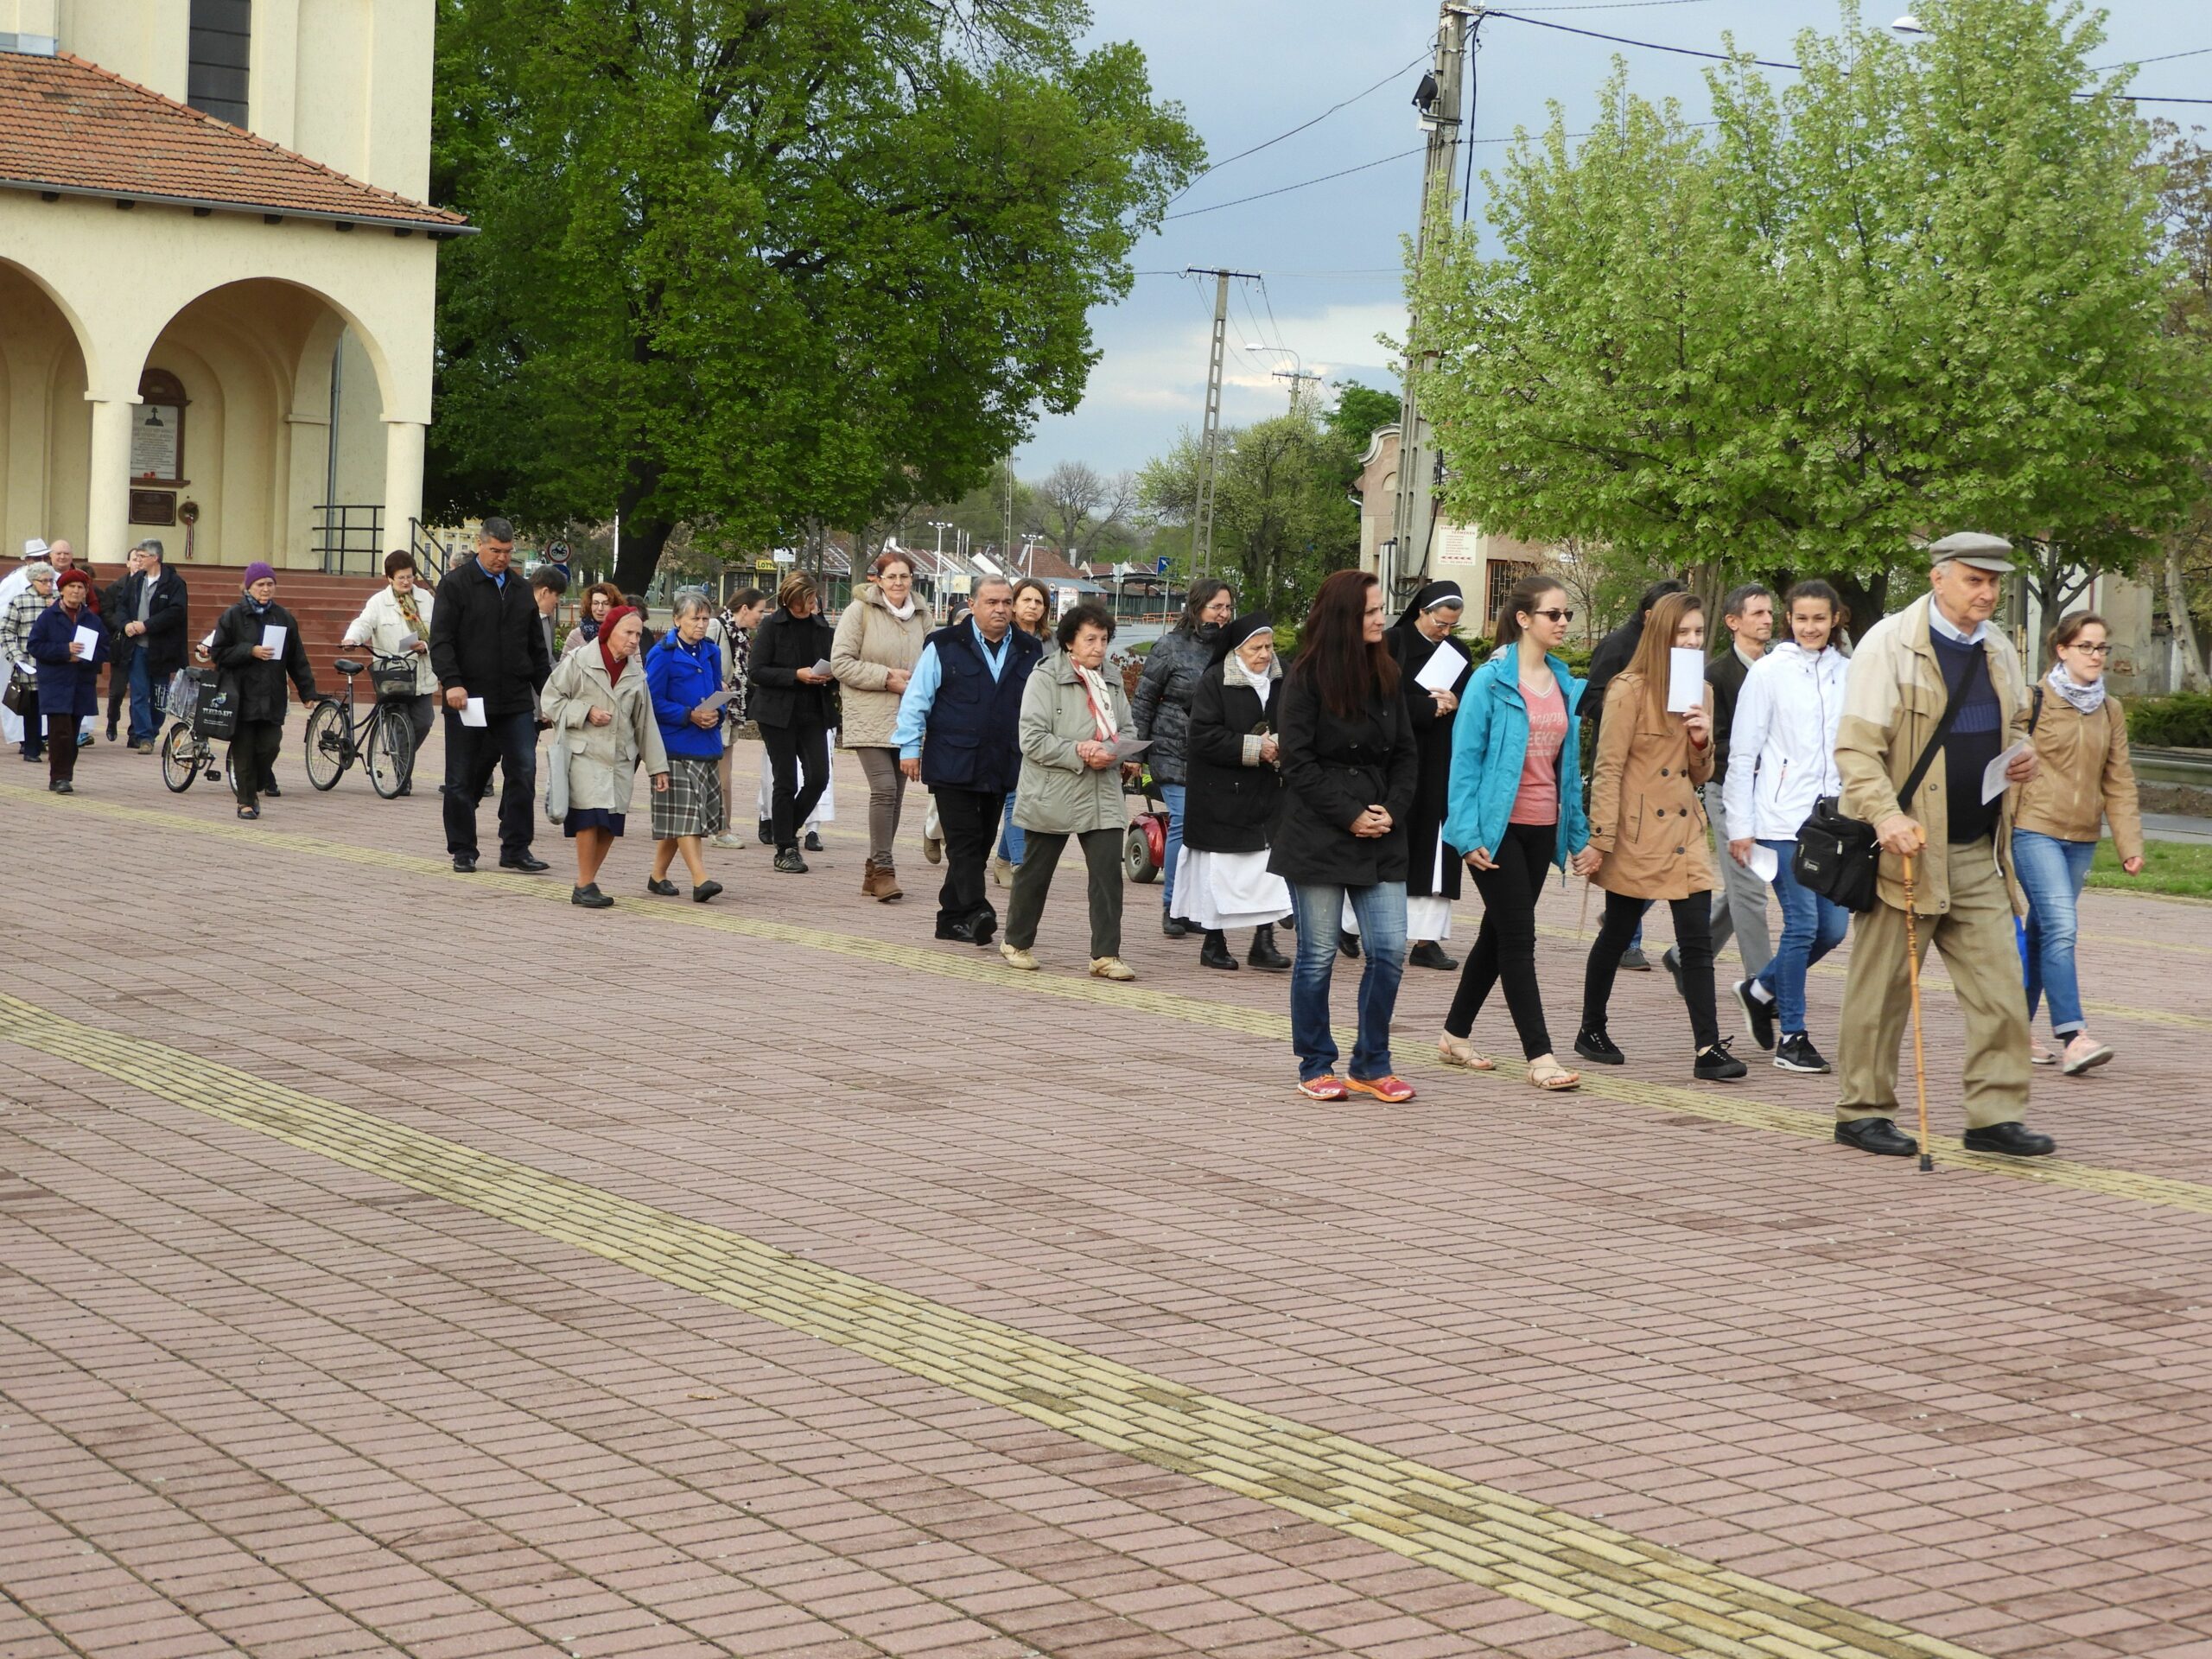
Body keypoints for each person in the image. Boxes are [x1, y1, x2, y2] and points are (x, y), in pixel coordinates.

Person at [1833, 532, 2047, 1158]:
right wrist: (1885, 817)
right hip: (1906, 849)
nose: (1988, 592)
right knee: (1882, 994)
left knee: (2002, 990)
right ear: (1938, 578)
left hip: (1979, 848)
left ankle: (1994, 1117)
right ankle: (1862, 1111)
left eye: (1994, 581)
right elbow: (1856, 750)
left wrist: (2023, 755)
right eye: (1975, 579)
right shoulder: (1889, 644)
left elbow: (2013, 724)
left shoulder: (1998, 647)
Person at [1576, 593, 1747, 1081]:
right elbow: (1607, 769)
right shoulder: (1628, 689)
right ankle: (1592, 1028)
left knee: (1695, 941)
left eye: (1698, 633)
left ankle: (1707, 1049)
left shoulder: (1702, 692)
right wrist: (1601, 839)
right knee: (1617, 932)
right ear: (1662, 635)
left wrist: (1701, 740)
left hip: (1685, 832)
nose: (1692, 641)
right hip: (1636, 831)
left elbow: (1699, 772)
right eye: (1683, 633)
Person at [1439, 575, 1600, 1091]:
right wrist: (1466, 835)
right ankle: (1541, 1055)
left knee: (1498, 933)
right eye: (1554, 614)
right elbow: (1463, 763)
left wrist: (1578, 837)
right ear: (1525, 619)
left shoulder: (1563, 681)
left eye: (1567, 615)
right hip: (1495, 829)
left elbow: (1566, 771)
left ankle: (1454, 1035)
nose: (1563, 624)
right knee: (1519, 940)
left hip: (1542, 827)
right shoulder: (1490, 680)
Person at [1270, 570, 1421, 1103]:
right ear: (1343, 617)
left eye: (1381, 608)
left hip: (1381, 831)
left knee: (1390, 949)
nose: (1382, 618)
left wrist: (1391, 811)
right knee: (1318, 954)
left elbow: (1406, 753)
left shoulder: (1387, 671)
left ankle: (1372, 1062)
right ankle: (1316, 1062)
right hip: (1319, 833)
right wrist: (1350, 814)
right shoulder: (1306, 676)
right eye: (1370, 611)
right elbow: (1298, 761)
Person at [1722, 580, 1851, 1073]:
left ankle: (1760, 989)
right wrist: (1741, 824)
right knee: (1803, 924)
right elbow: (1744, 753)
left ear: (1834, 618)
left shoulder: (1849, 672)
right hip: (1777, 820)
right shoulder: (1770, 672)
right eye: (1801, 619)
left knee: (1833, 929)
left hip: (1832, 823)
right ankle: (1792, 1037)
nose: (1811, 627)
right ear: (1789, 622)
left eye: (1820, 618)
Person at [2013, 610, 2145, 1075]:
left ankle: (2011, 1033)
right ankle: (2073, 1035)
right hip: (2034, 829)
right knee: (2062, 928)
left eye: (2102, 647)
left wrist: (2129, 843)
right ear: (2062, 650)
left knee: (2044, 933)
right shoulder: (2034, 700)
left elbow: (2119, 780)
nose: (2096, 656)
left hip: (2082, 836)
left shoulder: (2110, 710)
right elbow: (2009, 764)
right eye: (2086, 646)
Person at [893, 576, 1045, 946]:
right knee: (961, 843)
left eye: (1007, 602)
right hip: (952, 761)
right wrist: (909, 748)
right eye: (992, 602)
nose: (1001, 609)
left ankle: (950, 918)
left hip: (1002, 762)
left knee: (980, 844)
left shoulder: (1029, 648)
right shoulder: (944, 644)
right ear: (972, 604)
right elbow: (917, 699)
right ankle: (978, 910)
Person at [999, 602, 1139, 980]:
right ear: (1070, 643)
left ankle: (1106, 955)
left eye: (1104, 639)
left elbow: (1127, 728)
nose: (1099, 647)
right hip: (1054, 790)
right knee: (1036, 872)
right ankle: (1016, 941)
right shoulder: (1044, 677)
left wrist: (1116, 752)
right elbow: (1031, 740)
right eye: (1090, 639)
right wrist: (1079, 750)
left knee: (1108, 874)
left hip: (1103, 790)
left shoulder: (1110, 679)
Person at [429, 517, 553, 874]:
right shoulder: (456, 585)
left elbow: (536, 651)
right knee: (463, 778)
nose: (501, 558)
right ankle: (463, 849)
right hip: (468, 698)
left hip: (513, 699)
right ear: (480, 545)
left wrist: (550, 696)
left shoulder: (519, 589)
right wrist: (451, 681)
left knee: (523, 771)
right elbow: (442, 640)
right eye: (495, 550)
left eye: (508, 551)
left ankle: (516, 847)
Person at [1173, 613, 1291, 972]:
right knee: (1220, 876)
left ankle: (1264, 942)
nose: (1264, 654)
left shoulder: (1284, 679)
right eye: (1256, 648)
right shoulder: (1215, 681)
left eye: (1269, 646)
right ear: (1237, 650)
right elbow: (1203, 737)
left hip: (1267, 796)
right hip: (1221, 797)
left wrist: (1285, 745)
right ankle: (1214, 943)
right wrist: (1255, 748)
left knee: (1268, 874)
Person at [1582, 578, 1686, 972]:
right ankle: (1628, 940)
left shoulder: (1680, 655)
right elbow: (1590, 699)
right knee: (1635, 859)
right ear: (1648, 617)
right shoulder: (1617, 646)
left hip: (1668, 776)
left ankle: (1621, 925)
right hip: (1627, 770)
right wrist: (1629, 713)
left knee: (1669, 863)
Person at [541, 604, 669, 907]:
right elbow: (549, 700)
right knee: (589, 818)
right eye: (629, 632)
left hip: (620, 759)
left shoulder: (637, 673)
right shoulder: (579, 661)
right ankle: (585, 883)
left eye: (639, 634)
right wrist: (585, 712)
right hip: (583, 752)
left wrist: (658, 768)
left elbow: (646, 723)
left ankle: (585, 882)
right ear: (610, 631)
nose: (635, 639)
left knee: (611, 822)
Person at [1133, 579, 1233, 937]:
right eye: (1215, 607)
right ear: (1196, 608)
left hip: (1216, 751)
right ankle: (1172, 905)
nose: (1222, 615)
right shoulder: (1170, 647)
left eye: (1227, 608)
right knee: (1184, 822)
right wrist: (1136, 750)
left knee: (1210, 831)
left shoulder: (1234, 648)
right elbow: (1144, 698)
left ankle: (1199, 906)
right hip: (1172, 747)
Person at [1382, 580, 1473, 971]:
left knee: (1437, 848)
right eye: (1440, 623)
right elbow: (1378, 699)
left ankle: (1427, 939)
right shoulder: (1392, 644)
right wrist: (1424, 708)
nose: (1445, 632)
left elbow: (1474, 702)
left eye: (1452, 625)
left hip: (1442, 760)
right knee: (1392, 841)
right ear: (1422, 612)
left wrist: (1457, 702)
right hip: (1397, 758)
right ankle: (1356, 927)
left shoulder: (1458, 652)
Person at [833, 550, 932, 900]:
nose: (898, 583)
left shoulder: (922, 614)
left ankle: (873, 872)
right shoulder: (858, 611)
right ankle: (886, 870)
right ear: (878, 579)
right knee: (884, 789)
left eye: (904, 577)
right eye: (891, 577)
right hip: (868, 713)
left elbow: (933, 662)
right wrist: (885, 677)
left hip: (908, 718)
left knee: (897, 796)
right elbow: (840, 663)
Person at [1695, 582, 1774, 990]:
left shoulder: (1779, 666)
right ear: (1733, 621)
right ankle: (1762, 986)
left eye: (1769, 613)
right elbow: (1714, 742)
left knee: (1747, 887)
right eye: (1757, 613)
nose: (1767, 620)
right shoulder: (1716, 675)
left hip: (1773, 797)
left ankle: (1689, 955)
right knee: (1751, 890)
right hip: (1727, 790)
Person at [207, 563, 319, 819]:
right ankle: (245, 802)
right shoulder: (233, 616)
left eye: (270, 584)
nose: (266, 589)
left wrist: (307, 692)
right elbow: (218, 654)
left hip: (272, 696)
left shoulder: (283, 617)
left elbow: (297, 658)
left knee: (270, 746)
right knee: (244, 750)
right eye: (260, 584)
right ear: (248, 586)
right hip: (241, 695)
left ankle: (254, 784)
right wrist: (250, 651)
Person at [747, 573, 838, 873]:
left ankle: (784, 829)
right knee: (785, 780)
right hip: (777, 714)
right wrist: (794, 675)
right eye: (807, 600)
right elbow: (757, 671)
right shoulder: (772, 625)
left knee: (818, 778)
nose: (812, 605)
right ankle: (786, 847)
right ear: (792, 599)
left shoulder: (822, 626)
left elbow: (835, 663)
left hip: (813, 711)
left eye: (814, 599)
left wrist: (829, 675)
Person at [643, 591, 727, 902]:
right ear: (677, 619)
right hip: (673, 746)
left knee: (685, 816)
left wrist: (716, 714)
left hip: (705, 744)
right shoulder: (661, 654)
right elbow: (650, 701)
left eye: (706, 618)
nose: (702, 624)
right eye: (695, 618)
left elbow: (718, 690)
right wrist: (687, 715)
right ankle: (700, 879)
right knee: (689, 815)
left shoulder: (711, 651)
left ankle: (657, 875)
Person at [340, 550, 439, 774]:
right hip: (393, 675)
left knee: (424, 721)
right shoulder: (378, 602)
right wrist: (352, 638)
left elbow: (439, 630)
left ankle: (400, 755)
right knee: (398, 725)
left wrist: (426, 645)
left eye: (410, 576)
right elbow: (364, 623)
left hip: (422, 673)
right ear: (389, 579)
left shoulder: (426, 599)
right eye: (400, 577)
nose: (406, 581)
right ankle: (402, 773)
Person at [993, 576, 1058, 885]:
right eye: (1026, 600)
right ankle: (1021, 863)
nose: (1032, 606)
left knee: (1030, 796)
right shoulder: (1003, 637)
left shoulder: (1052, 641)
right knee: (1016, 796)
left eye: (1039, 602)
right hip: (1009, 725)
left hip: (1044, 726)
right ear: (1014, 603)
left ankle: (1005, 857)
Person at [26, 565, 105, 793]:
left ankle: (61, 775)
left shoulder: (92, 620)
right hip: (55, 683)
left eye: (81, 587)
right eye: (71, 586)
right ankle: (61, 777)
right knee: (60, 731)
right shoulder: (49, 617)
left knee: (72, 734)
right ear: (62, 590)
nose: (76, 591)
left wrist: (85, 657)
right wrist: (64, 651)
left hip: (80, 683)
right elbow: (35, 646)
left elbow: (105, 649)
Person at [710, 587, 767, 849]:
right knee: (718, 774)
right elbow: (703, 662)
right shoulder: (716, 627)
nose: (761, 617)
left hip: (729, 711)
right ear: (744, 609)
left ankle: (722, 827)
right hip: (712, 710)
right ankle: (720, 830)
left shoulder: (741, 636)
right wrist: (715, 684)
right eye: (760, 611)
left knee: (725, 774)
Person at [3, 560, 57, 762]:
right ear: (33, 581)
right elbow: (6, 632)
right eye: (44, 581)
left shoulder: (60, 600)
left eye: (51, 581)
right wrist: (16, 657)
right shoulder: (20, 601)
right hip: (29, 664)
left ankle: (55, 747)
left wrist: (58, 608)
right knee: (32, 709)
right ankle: (31, 748)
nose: (49, 585)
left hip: (56, 664)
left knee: (55, 709)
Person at [563, 582, 626, 655]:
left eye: (606, 604)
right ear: (589, 605)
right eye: (595, 603)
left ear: (615, 606)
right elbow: (564, 665)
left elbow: (636, 665)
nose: (600, 608)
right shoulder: (576, 636)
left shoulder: (627, 634)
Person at [530, 564, 569, 664]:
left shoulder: (548, 620)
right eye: (557, 595)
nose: (557, 601)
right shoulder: (517, 616)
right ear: (544, 592)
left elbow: (548, 659)